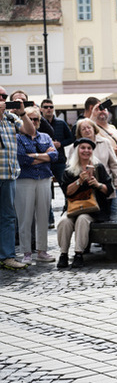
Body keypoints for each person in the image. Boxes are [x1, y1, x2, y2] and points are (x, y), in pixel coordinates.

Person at [56, 138, 112, 269]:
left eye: (89, 148)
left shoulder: (98, 168)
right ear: (77, 151)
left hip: (92, 209)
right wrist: (79, 181)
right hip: (73, 207)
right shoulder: (69, 170)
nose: (86, 151)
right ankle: (63, 254)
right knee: (64, 222)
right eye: (83, 148)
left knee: (82, 219)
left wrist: (97, 184)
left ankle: (78, 254)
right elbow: (67, 192)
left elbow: (109, 190)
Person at [0, 86, 36, 270]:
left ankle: (7, 256)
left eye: (5, 96)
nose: (3, 99)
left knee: (7, 216)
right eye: (0, 96)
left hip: (8, 173)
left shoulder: (10, 117)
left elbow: (30, 131)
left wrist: (22, 114)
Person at [15, 106, 57, 264]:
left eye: (36, 119)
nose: (33, 122)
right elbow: (22, 158)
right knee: (25, 217)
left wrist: (35, 156)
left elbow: (54, 155)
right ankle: (26, 252)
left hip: (44, 178)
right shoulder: (18, 138)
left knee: (43, 216)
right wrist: (44, 156)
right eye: (30, 119)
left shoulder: (45, 136)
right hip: (24, 179)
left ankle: (42, 250)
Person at [71, 119, 117, 205]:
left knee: (113, 211)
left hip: (106, 184)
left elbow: (114, 164)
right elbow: (70, 167)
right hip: (85, 188)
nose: (87, 130)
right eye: (83, 129)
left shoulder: (105, 142)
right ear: (79, 132)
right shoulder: (75, 147)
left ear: (94, 128)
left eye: (89, 127)